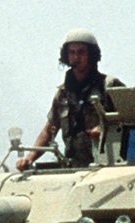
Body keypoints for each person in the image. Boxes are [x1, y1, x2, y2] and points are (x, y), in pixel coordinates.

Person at [16, 30, 123, 170]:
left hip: (107, 167)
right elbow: (49, 131)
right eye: (71, 52)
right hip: (73, 167)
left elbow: (133, 121)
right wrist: (29, 158)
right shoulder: (63, 94)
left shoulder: (109, 86)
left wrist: (104, 131)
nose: (76, 57)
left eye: (81, 52)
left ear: (91, 55)